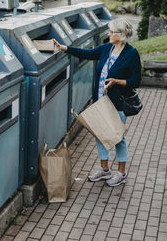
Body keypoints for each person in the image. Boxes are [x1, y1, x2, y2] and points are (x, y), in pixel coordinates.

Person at [54, 17, 142, 186]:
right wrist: (64, 48)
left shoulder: (132, 54)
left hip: (117, 103)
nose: (108, 34)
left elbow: (136, 81)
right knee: (99, 134)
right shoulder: (107, 48)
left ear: (121, 34)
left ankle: (121, 173)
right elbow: (86, 53)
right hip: (100, 101)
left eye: (111, 32)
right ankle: (104, 170)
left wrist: (117, 81)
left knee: (118, 138)